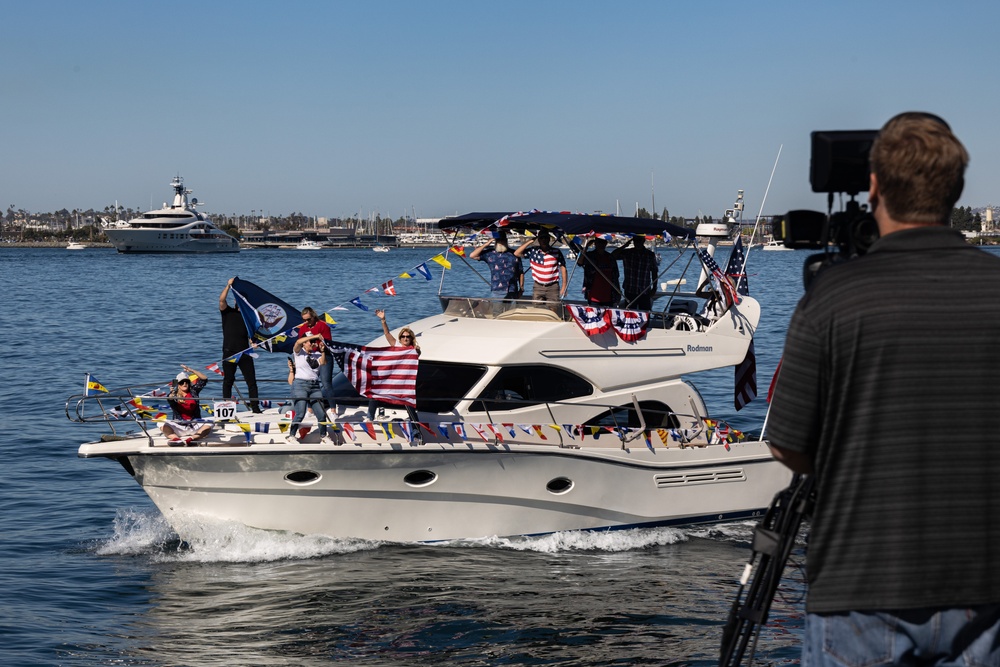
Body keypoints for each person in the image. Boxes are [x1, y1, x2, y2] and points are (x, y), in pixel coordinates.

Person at [766, 112, 1000, 665]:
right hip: (985, 587)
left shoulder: (833, 297)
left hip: (859, 589)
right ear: (956, 189)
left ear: (874, 187)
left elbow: (787, 444)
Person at [367, 309, 421, 435]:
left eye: (408, 337)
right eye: (403, 336)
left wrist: (416, 350)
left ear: (411, 338)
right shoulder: (396, 345)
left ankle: (416, 430)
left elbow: (417, 353)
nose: (405, 338)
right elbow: (387, 334)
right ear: (400, 338)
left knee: (409, 405)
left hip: (405, 383)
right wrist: (383, 320)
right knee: (375, 391)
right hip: (392, 379)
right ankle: (370, 417)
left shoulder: (414, 350)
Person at [219, 278, 261, 413]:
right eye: (238, 301)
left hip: (245, 353)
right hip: (229, 352)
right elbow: (221, 301)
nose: (240, 304)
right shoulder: (228, 312)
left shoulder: (249, 318)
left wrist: (254, 343)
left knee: (251, 381)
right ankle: (226, 407)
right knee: (228, 380)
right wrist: (228, 286)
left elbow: (252, 336)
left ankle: (255, 407)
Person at [287, 334, 336, 446]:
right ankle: (291, 435)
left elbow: (323, 362)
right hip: (300, 385)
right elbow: (298, 343)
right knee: (300, 412)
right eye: (310, 341)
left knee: (321, 413)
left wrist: (323, 351)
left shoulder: (316, 354)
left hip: (314, 386)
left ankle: (323, 436)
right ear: (305, 343)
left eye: (314, 341)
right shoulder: (299, 353)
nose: (313, 343)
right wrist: (314, 336)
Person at [161, 365, 213, 445]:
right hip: (179, 425)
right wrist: (172, 393)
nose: (184, 384)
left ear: (189, 383)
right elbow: (170, 399)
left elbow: (204, 379)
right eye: (182, 382)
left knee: (211, 423)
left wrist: (191, 370)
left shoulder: (194, 392)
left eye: (186, 382)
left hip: (194, 424)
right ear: (177, 384)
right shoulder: (173, 394)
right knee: (160, 423)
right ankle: (175, 438)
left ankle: (192, 439)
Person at [298, 306, 336, 412]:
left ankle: (333, 409)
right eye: (304, 320)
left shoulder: (323, 326)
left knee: (326, 382)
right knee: (310, 382)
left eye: (308, 319)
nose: (306, 322)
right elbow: (300, 343)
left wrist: (316, 344)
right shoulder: (303, 328)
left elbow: (328, 343)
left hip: (324, 355)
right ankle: (310, 409)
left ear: (314, 317)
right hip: (310, 357)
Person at [514, 230, 567, 304]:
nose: (544, 240)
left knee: (553, 308)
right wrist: (530, 241)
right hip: (538, 286)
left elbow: (563, 268)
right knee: (537, 309)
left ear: (549, 239)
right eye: (541, 238)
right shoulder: (533, 251)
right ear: (538, 240)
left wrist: (564, 286)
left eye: (546, 238)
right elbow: (517, 253)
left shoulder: (556, 252)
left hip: (553, 286)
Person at [469, 231, 524, 299]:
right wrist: (486, 244)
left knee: (512, 309)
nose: (500, 242)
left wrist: (521, 288)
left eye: (502, 240)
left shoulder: (515, 254)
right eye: (498, 240)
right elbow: (472, 255)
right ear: (495, 241)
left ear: (506, 241)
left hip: (512, 290)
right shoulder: (490, 253)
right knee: (497, 309)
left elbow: (521, 272)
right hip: (497, 290)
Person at [611, 235, 658, 311]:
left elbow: (654, 272)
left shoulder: (650, 255)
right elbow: (612, 256)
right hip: (630, 290)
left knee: (645, 313)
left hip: (645, 290)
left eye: (639, 240)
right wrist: (625, 246)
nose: (637, 243)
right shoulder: (627, 253)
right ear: (633, 241)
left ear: (643, 241)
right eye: (636, 240)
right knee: (630, 314)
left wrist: (654, 288)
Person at [576, 236, 620, 306]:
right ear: (595, 243)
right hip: (594, 296)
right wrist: (586, 247)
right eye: (599, 242)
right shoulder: (590, 256)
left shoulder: (610, 257)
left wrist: (617, 294)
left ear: (606, 243)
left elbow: (616, 275)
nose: (601, 245)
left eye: (603, 243)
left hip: (609, 296)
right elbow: (579, 262)